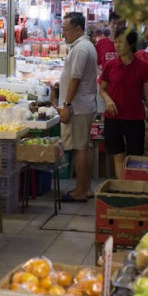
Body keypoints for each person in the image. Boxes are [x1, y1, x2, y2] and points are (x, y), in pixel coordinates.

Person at [100, 28, 148, 179]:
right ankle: (122, 188)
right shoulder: (110, 65)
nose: (117, 46)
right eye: (116, 42)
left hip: (135, 117)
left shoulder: (142, 66)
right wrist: (108, 99)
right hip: (113, 117)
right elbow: (102, 89)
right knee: (118, 155)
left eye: (121, 42)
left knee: (135, 157)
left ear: (131, 44)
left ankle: (132, 187)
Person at [59, 12, 97, 203]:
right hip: (84, 105)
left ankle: (81, 191)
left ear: (78, 29)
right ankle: (86, 187)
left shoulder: (81, 49)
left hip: (78, 107)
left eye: (66, 30)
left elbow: (76, 78)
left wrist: (66, 104)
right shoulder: (84, 46)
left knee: (79, 148)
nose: (63, 33)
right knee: (85, 146)